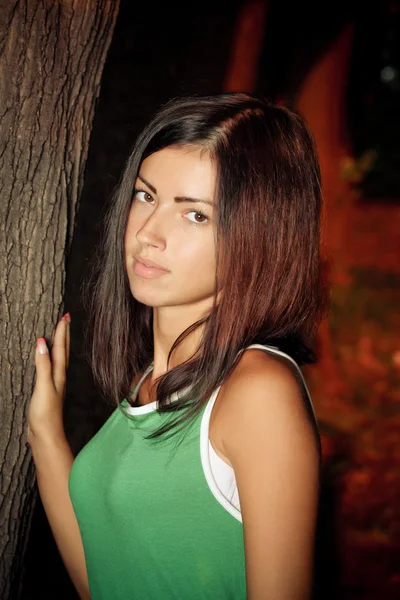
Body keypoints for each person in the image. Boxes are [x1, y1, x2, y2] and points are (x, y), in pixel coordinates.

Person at [28, 92, 327, 600]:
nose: (148, 233)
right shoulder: (149, 380)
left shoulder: (257, 392)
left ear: (259, 236)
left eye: (195, 216)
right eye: (147, 196)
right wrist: (43, 434)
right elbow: (106, 582)